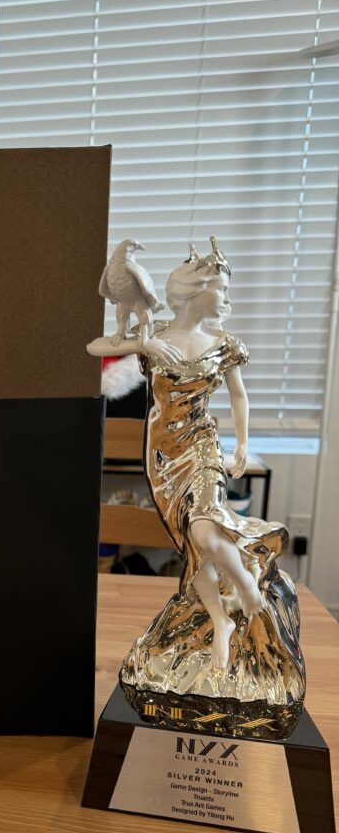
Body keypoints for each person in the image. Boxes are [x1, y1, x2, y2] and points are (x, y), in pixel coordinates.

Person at [86, 238, 305, 738]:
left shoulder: (224, 344)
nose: (227, 299)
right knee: (194, 549)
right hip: (162, 456)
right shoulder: (155, 337)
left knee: (206, 531)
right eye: (222, 290)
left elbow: (239, 397)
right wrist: (141, 345)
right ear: (195, 291)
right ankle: (220, 622)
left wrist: (242, 444)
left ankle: (246, 587)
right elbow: (96, 348)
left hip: (203, 446)